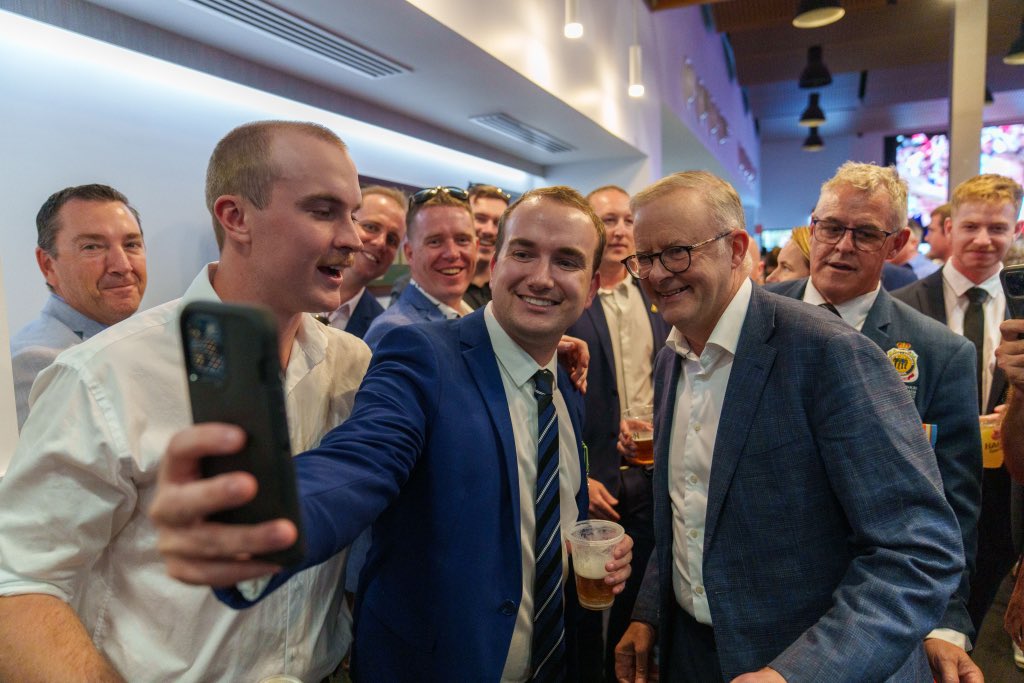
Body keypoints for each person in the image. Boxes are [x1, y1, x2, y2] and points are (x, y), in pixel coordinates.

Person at [149, 186, 634, 681]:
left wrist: (583, 555)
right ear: (496, 262)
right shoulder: (424, 354)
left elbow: (544, 512)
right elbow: (362, 460)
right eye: (524, 252)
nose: (541, 276)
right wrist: (259, 518)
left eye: (567, 261)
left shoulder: (566, 376)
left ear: (592, 286)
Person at [0, 120, 371, 682]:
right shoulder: (105, 375)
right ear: (235, 217)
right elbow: (19, 581)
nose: (354, 239)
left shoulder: (352, 365)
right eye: (323, 211)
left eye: (354, 214)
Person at [613, 170, 963, 682]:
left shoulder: (831, 353)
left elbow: (918, 550)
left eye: (677, 252)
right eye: (643, 258)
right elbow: (688, 509)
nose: (657, 273)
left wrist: (797, 674)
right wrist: (649, 612)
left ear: (736, 249)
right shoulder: (674, 355)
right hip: (692, 653)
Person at [766, 161, 983, 682]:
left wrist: (944, 625)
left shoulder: (940, 353)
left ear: (896, 243)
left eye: (864, 234)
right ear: (811, 227)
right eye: (830, 228)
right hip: (760, 601)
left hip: (874, 613)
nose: (841, 246)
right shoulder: (754, 317)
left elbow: (952, 505)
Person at [894, 173, 1024, 632]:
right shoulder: (899, 305)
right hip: (920, 486)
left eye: (998, 228)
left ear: (1016, 231)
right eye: (971, 227)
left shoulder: (1021, 309)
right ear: (949, 229)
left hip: (1002, 492)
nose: (984, 240)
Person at [566, 184, 670, 679]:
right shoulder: (571, 296)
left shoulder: (655, 295)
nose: (622, 231)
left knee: (642, 601)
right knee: (584, 606)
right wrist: (577, 478)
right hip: (594, 480)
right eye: (609, 220)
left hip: (649, 473)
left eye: (629, 221)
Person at [10, 184, 147, 428]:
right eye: (92, 247)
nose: (123, 266)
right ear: (48, 265)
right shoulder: (37, 364)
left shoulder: (154, 338)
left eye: (131, 245)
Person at [363, 185, 476, 349]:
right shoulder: (395, 331)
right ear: (410, 253)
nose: (452, 254)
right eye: (435, 241)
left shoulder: (476, 315)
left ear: (476, 246)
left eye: (462, 240)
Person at [320, 184, 406, 338]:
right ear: (346, 221)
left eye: (392, 239)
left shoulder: (384, 329)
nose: (381, 243)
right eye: (371, 227)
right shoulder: (288, 286)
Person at [465, 184, 511, 309]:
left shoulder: (512, 289)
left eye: (498, 222)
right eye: (480, 219)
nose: (489, 230)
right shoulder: (441, 288)